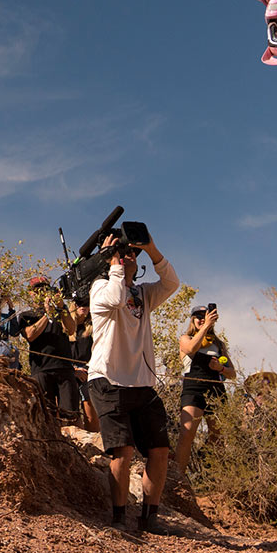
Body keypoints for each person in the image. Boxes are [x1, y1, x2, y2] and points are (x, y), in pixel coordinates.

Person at [86, 228, 182, 534]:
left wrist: (151, 249)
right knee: (123, 451)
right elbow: (116, 298)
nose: (129, 256)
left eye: (132, 253)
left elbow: (172, 283)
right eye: (123, 252)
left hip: (142, 383)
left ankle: (149, 517)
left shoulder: (143, 295)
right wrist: (112, 261)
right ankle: (119, 519)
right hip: (108, 379)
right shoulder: (99, 288)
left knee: (159, 449)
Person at [172, 303, 238, 486]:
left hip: (216, 390)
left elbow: (233, 374)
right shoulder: (186, 338)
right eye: (199, 317)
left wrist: (221, 368)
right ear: (193, 320)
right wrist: (206, 326)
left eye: (206, 316)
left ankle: (214, 478)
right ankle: (178, 480)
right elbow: (190, 349)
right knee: (187, 433)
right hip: (193, 387)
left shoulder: (219, 344)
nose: (202, 319)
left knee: (218, 435)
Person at [22, 278, 86, 420]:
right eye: (37, 290)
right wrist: (47, 314)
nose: (41, 292)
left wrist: (62, 307)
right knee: (46, 416)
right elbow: (30, 335)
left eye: (45, 289)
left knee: (70, 415)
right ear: (31, 293)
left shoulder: (60, 312)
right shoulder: (26, 315)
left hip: (64, 369)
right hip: (41, 370)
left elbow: (71, 329)